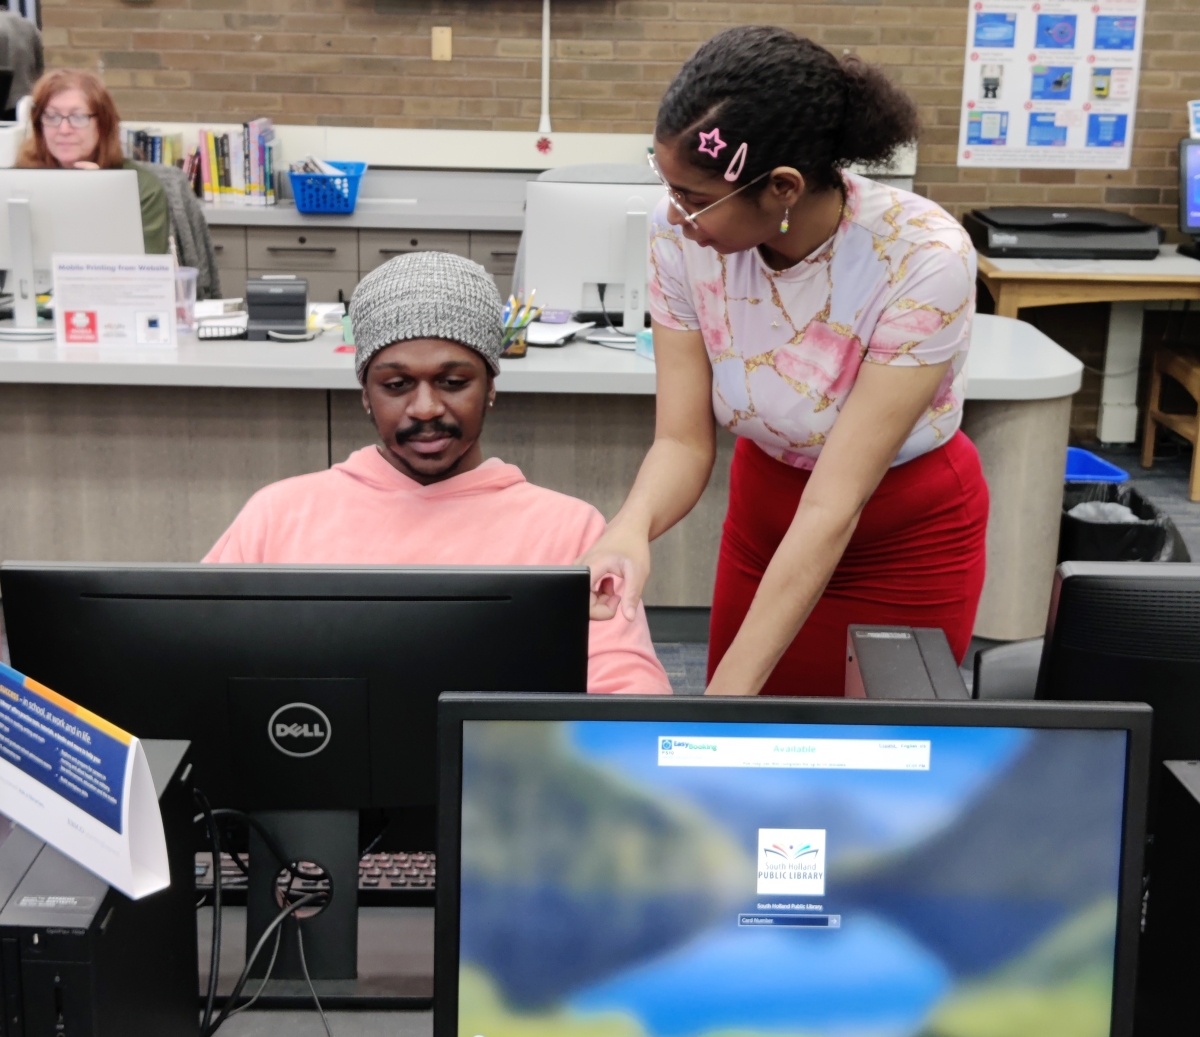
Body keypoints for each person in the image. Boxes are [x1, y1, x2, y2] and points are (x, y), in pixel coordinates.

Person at [579, 26, 988, 698]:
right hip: (766, 521)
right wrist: (631, 528)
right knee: (749, 740)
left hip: (900, 535)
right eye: (668, 185)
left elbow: (834, 502)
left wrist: (721, 703)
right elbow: (681, 441)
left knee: (875, 750)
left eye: (694, 199)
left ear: (783, 188)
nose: (675, 216)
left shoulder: (922, 256)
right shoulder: (677, 236)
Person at [205, 251, 672, 697]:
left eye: (452, 383)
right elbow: (196, 653)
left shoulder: (568, 531)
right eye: (396, 385)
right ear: (365, 393)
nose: (426, 408)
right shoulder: (279, 516)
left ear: (491, 386)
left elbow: (629, 694)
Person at [17, 69, 168, 254]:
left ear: (102, 124)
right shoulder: (17, 183)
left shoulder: (143, 189)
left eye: (78, 117)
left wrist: (101, 201)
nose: (64, 129)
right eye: (52, 116)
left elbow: (144, 267)